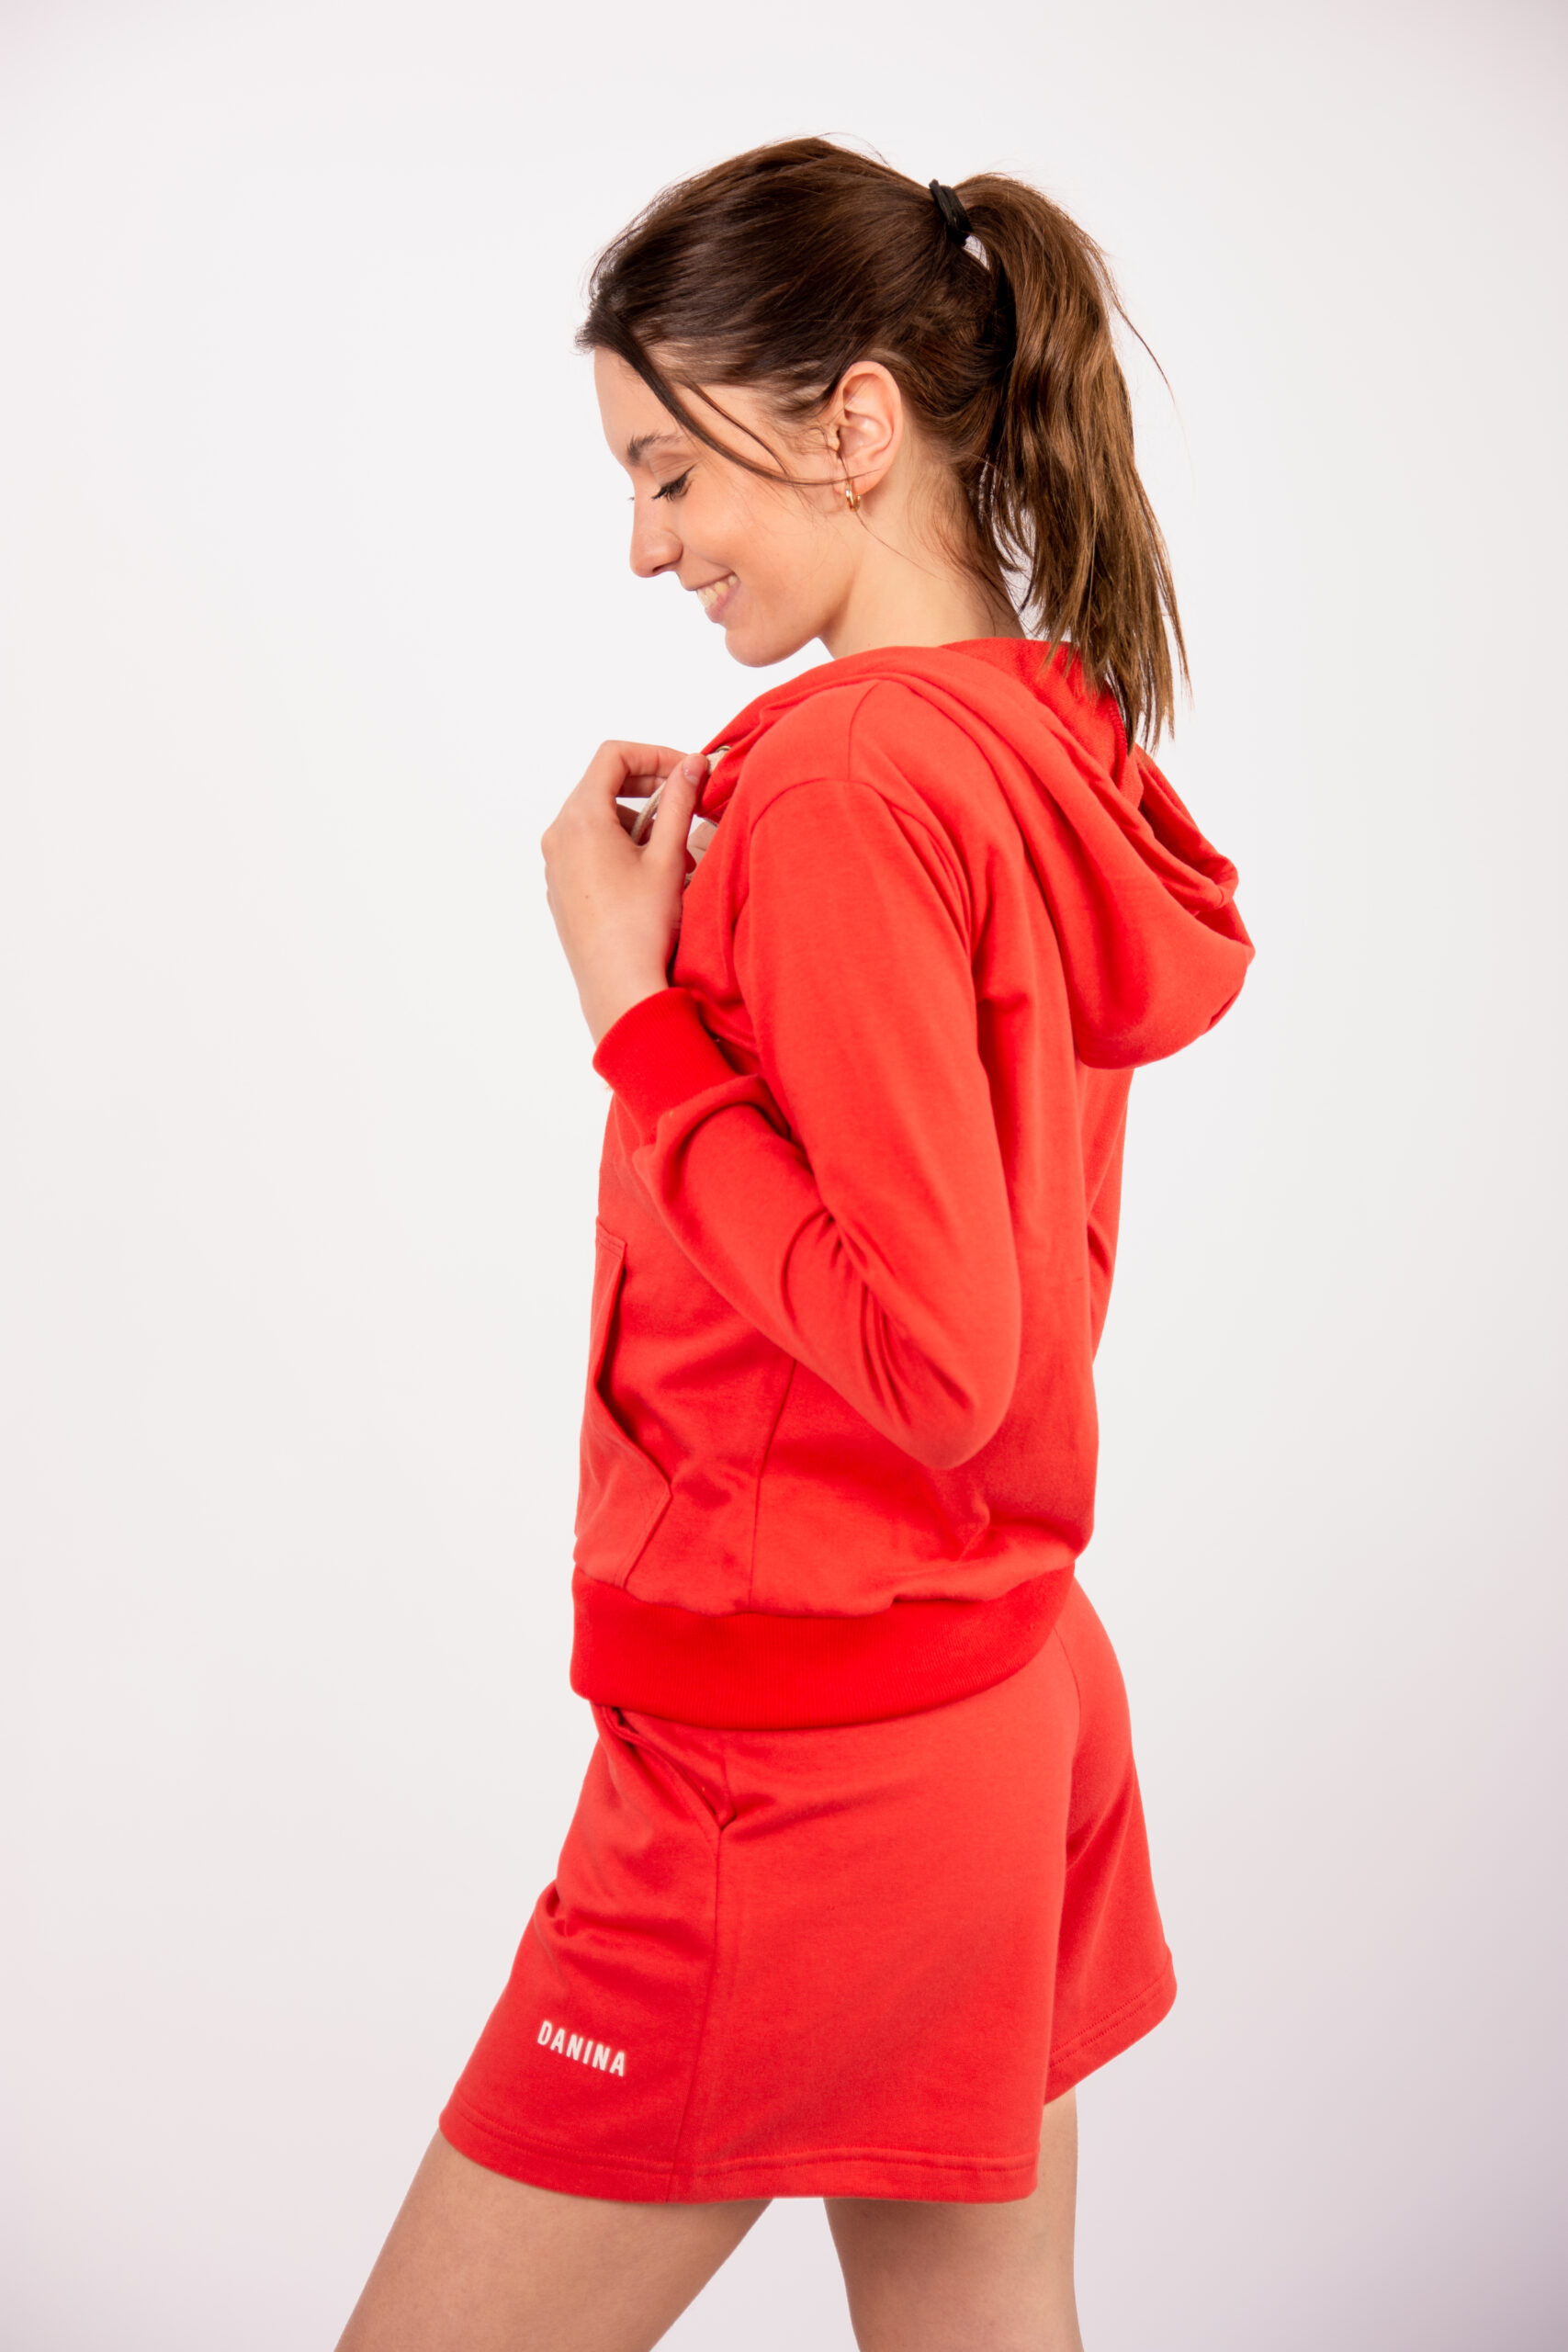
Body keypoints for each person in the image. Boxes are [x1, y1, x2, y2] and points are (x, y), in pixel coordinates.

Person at [336, 135, 1254, 2352]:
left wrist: (630, 1011)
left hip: (803, 1764)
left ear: (853, 423)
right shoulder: (1027, 731)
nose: (643, 544)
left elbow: (936, 1354)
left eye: (670, 472)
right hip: (988, 1691)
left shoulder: (843, 783)